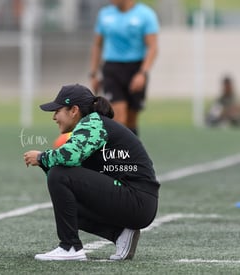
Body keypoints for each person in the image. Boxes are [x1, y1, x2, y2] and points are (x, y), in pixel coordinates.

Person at [23, 84, 160, 261]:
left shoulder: (93, 124)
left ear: (74, 110)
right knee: (66, 199)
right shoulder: (93, 126)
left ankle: (70, 247)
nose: (54, 117)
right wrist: (47, 164)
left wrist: (42, 157)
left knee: (59, 174)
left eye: (57, 111)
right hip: (138, 202)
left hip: (136, 200)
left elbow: (68, 158)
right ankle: (120, 234)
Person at [89, 0, 159, 136]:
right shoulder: (104, 14)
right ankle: (117, 156)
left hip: (136, 69)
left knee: (131, 120)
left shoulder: (145, 15)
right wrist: (93, 73)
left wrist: (142, 73)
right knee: (118, 117)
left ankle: (131, 153)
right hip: (112, 69)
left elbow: (153, 47)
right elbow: (97, 45)